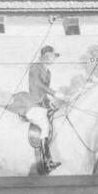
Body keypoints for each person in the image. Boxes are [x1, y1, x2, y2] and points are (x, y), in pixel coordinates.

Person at [22, 44, 63, 173]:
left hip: (42, 105)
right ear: (44, 56)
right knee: (44, 126)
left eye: (53, 57)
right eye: (51, 56)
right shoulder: (35, 67)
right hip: (32, 104)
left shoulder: (48, 72)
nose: (53, 59)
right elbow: (37, 84)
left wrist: (50, 102)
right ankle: (47, 161)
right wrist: (54, 93)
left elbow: (43, 93)